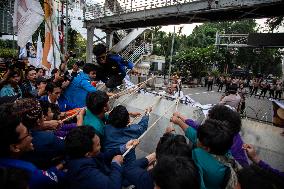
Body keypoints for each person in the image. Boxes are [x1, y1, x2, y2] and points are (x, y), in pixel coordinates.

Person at [0, 103, 65, 189]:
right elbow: (54, 179)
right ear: (15, 147)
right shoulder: (28, 173)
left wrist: (43, 125)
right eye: (28, 133)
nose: (32, 137)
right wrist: (59, 167)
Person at [171, 118, 240, 189]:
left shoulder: (200, 158)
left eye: (198, 138)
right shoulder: (223, 147)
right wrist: (179, 122)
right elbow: (195, 136)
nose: (196, 138)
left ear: (207, 148)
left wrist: (169, 135)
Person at [64, 126, 138, 189]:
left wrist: (123, 148)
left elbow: (103, 156)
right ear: (88, 154)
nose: (100, 146)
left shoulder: (81, 154)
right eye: (98, 145)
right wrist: (116, 164)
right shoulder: (83, 172)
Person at [12, 99, 65, 169]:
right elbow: (71, 147)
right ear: (38, 121)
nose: (44, 118)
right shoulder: (48, 139)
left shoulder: (12, 133)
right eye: (42, 115)